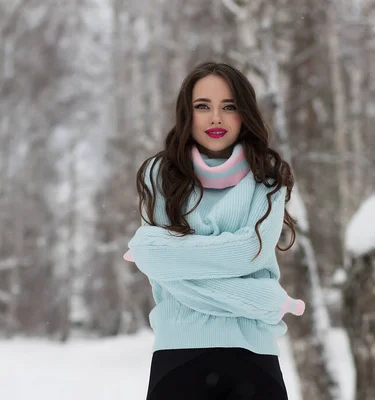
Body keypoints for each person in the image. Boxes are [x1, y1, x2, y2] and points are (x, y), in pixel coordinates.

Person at [123, 62, 306, 400]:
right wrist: (258, 298)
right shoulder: (159, 174)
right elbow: (157, 263)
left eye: (229, 106)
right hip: (178, 356)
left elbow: (250, 251)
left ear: (244, 113)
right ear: (186, 113)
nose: (216, 118)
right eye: (202, 106)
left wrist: (174, 259)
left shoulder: (268, 176)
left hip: (254, 358)